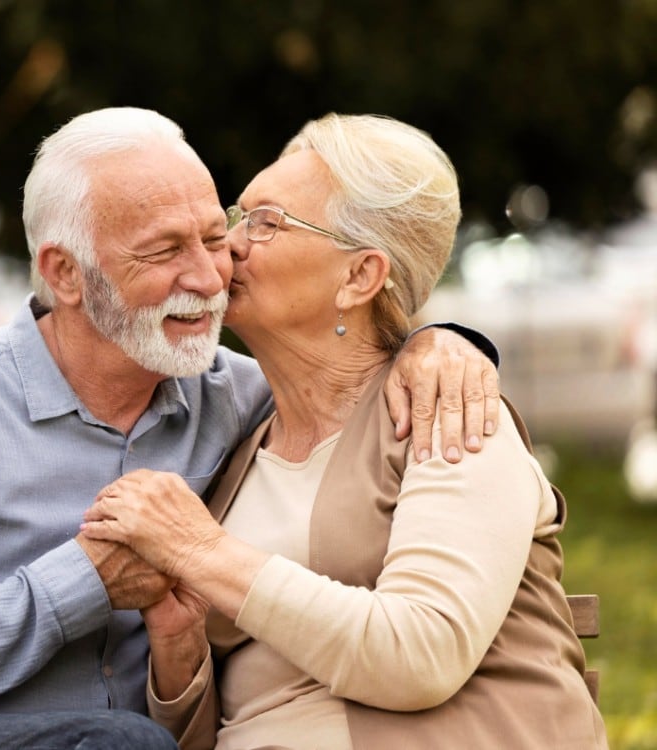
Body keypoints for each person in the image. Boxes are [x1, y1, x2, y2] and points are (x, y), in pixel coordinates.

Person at [0, 107, 501, 750]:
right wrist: (81, 583)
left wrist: (438, 343)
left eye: (214, 238)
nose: (209, 277)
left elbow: (346, 364)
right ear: (65, 273)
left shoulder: (243, 402)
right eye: (164, 252)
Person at [81, 113, 608, 749]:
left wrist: (201, 553)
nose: (228, 245)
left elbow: (421, 655)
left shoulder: (447, 416)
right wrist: (179, 645)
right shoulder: (239, 442)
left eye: (267, 222)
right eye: (238, 216)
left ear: (359, 276)